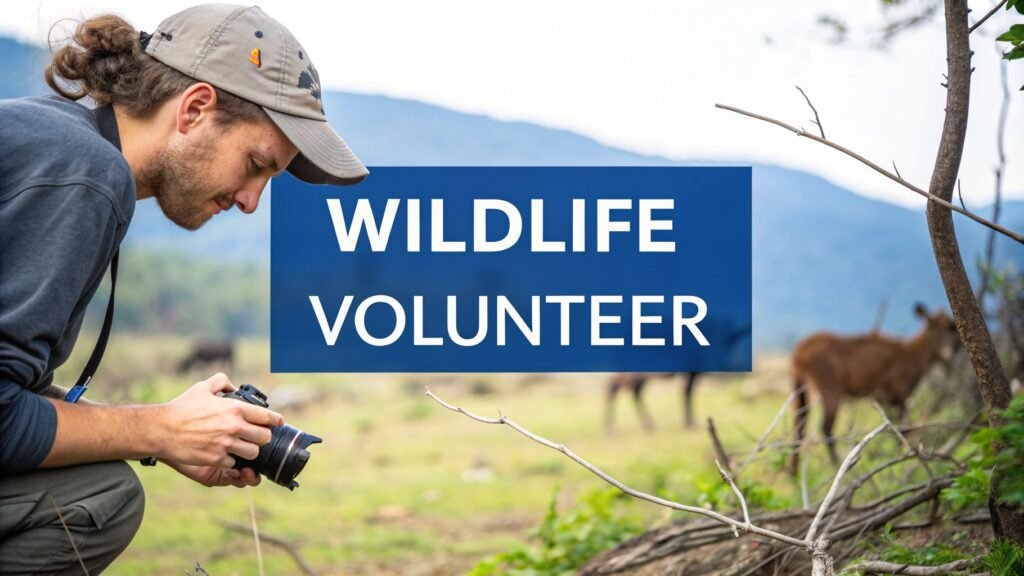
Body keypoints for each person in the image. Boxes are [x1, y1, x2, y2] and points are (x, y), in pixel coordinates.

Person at [0, 5, 367, 574]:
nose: (250, 202)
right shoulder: (85, 171)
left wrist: (170, 434)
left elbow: (14, 393)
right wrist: (158, 428)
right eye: (255, 164)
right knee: (101, 497)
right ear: (195, 108)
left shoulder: (49, 139)